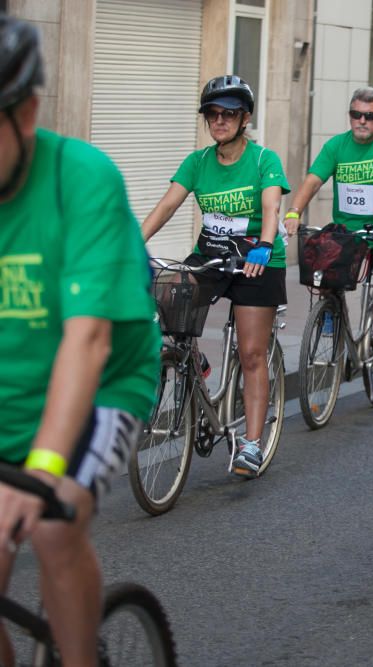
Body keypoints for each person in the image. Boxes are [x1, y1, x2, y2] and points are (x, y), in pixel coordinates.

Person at [0, 16, 159, 666]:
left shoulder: (82, 179)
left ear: (28, 109)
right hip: (10, 386)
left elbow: (88, 339)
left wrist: (41, 469)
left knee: (52, 519)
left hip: (101, 384)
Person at [142, 74, 289, 476]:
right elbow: (168, 205)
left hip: (257, 257)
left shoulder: (263, 160)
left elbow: (271, 205)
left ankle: (252, 444)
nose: (219, 121)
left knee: (251, 353)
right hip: (211, 252)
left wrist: (265, 241)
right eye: (212, 114)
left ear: (245, 119)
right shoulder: (198, 162)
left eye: (228, 114)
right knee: (166, 291)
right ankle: (190, 358)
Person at [284, 87, 373, 402]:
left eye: (370, 116)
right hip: (348, 233)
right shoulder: (336, 146)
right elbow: (313, 180)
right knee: (321, 267)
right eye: (356, 114)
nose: (362, 121)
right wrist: (292, 212)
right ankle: (330, 312)